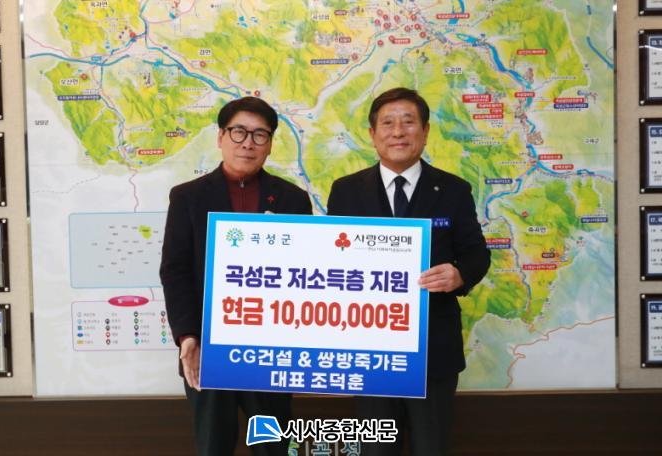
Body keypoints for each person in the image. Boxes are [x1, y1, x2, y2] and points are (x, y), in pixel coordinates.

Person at [327, 87, 490, 456]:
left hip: (433, 349)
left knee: (431, 446)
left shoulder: (453, 189)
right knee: (376, 449)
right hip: (369, 350)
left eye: (408, 122)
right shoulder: (346, 191)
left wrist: (459, 275)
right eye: (387, 123)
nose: (398, 132)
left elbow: (476, 253)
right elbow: (332, 259)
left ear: (425, 131)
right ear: (373, 134)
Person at [160, 96, 313, 455]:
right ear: (221, 137)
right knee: (213, 445)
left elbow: (305, 274)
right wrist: (188, 336)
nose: (248, 143)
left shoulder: (292, 200)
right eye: (239, 132)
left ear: (270, 144)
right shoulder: (188, 198)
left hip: (271, 351)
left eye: (260, 135)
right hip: (208, 350)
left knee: (274, 446)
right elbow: (175, 270)